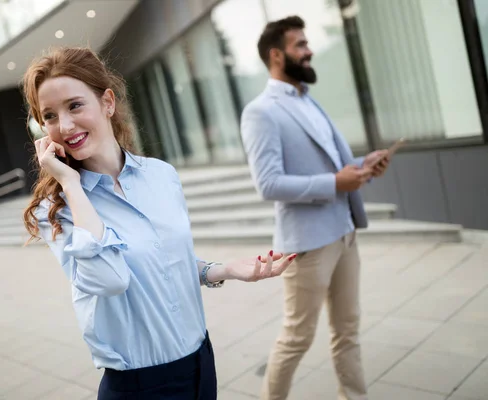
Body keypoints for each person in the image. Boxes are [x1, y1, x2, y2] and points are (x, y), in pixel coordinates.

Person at [21, 46, 298, 400]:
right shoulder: (57, 209)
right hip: (140, 386)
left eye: (74, 105)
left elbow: (163, 262)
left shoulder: (161, 175)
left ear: (107, 103)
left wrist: (224, 269)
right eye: (50, 116)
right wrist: (72, 185)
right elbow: (111, 278)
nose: (66, 126)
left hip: (201, 363)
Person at [240, 16, 391, 400]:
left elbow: (327, 167)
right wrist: (336, 183)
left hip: (344, 233)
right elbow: (268, 183)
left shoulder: (308, 98)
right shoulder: (261, 111)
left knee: (348, 330)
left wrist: (361, 165)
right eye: (300, 45)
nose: (309, 51)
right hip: (307, 248)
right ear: (277, 55)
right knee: (296, 339)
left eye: (307, 43)